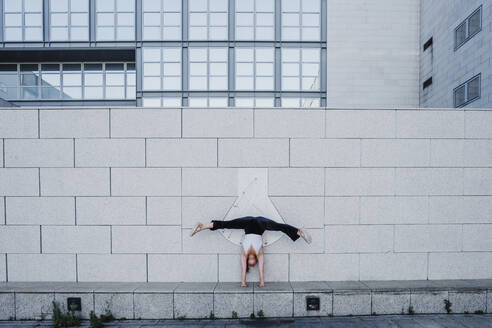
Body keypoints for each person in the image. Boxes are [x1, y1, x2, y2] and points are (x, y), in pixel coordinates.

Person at [190, 216, 312, 287]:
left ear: (249, 260)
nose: (253, 262)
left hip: (247, 224)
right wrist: (262, 282)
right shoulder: (259, 253)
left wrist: (243, 283)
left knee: (227, 224)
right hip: (260, 224)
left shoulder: (244, 253)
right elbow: (261, 268)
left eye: (251, 263)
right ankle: (299, 232)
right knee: (279, 227)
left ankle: (202, 227)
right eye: (255, 262)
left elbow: (243, 270)